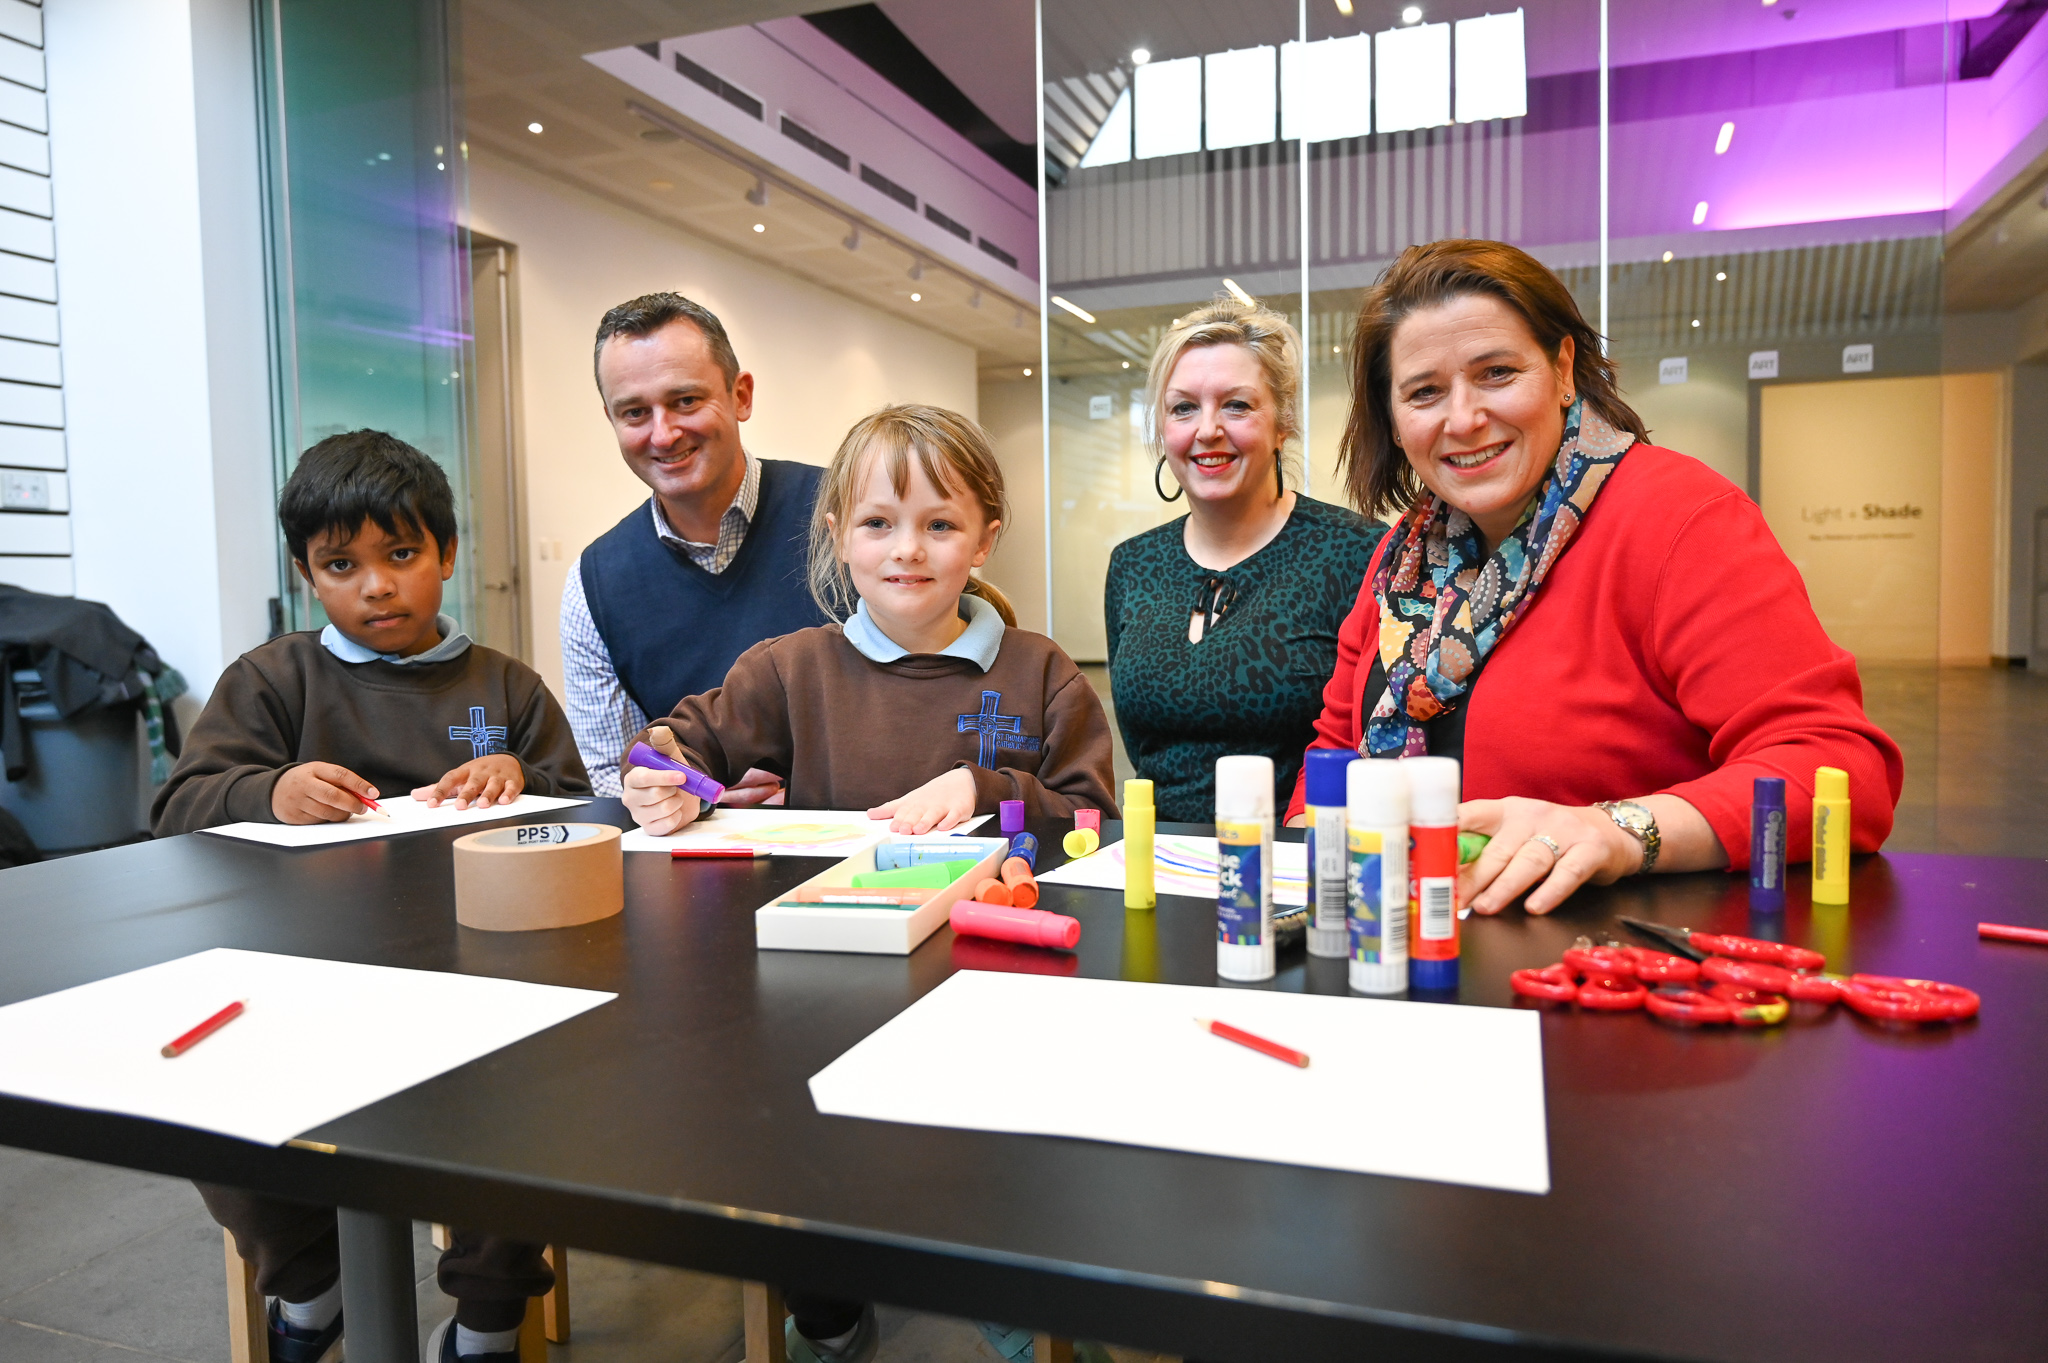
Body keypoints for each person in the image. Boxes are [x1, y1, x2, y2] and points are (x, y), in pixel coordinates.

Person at [620, 404, 1116, 1361]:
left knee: (1000, 1157)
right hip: (830, 987)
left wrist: (985, 783)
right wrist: (662, 773)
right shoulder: (790, 667)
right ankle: (829, 1305)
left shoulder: (1038, 669)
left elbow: (1091, 815)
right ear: (838, 532)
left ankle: (1000, 1274)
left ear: (986, 537)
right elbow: (678, 738)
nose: (908, 550)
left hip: (992, 987)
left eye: (940, 523)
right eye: (879, 523)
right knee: (812, 1147)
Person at [1286, 239, 1901, 914]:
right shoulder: (1399, 560)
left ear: (1563, 368)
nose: (1462, 418)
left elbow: (1839, 771)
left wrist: (1618, 829)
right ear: (1394, 419)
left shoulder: (1680, 520)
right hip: (1401, 943)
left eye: (1496, 373)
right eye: (1425, 391)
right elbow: (1335, 750)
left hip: (1609, 961)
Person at [152, 431, 588, 1363]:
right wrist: (266, 791)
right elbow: (178, 806)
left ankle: (486, 1322)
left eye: (400, 555)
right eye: (340, 565)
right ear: (309, 576)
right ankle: (313, 1291)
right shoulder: (273, 680)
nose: (376, 586)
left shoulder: (505, 684)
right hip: (302, 971)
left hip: (481, 971)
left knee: (542, 1102)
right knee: (199, 1099)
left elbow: (588, 813)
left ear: (447, 554)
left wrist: (524, 776)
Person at [1104, 296, 1385, 821]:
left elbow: (1378, 737)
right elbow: (1141, 753)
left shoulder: (1356, 553)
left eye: (1236, 405)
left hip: (1296, 858)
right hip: (1159, 862)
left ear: (1282, 424)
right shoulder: (1132, 565)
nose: (1207, 429)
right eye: (1183, 407)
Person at [561, 292, 830, 798]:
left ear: (741, 395)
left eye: (685, 401)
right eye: (635, 412)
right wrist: (704, 800)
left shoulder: (847, 518)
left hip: (871, 838)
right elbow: (610, 777)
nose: (663, 435)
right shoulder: (594, 586)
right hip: (694, 856)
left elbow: (934, 684)